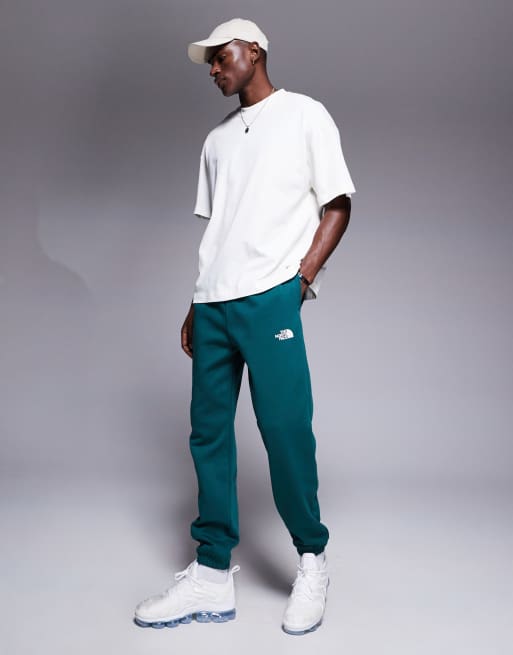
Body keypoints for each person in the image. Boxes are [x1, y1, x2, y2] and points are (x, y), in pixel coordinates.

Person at [134, 17, 356, 636]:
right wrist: (196, 300)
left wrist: (300, 280)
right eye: (207, 62)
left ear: (254, 50)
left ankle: (312, 559)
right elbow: (222, 230)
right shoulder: (217, 141)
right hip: (213, 304)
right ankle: (211, 573)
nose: (213, 68)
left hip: (270, 299)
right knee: (207, 434)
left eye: (220, 56)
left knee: (284, 429)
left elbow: (337, 204)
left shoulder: (306, 115)